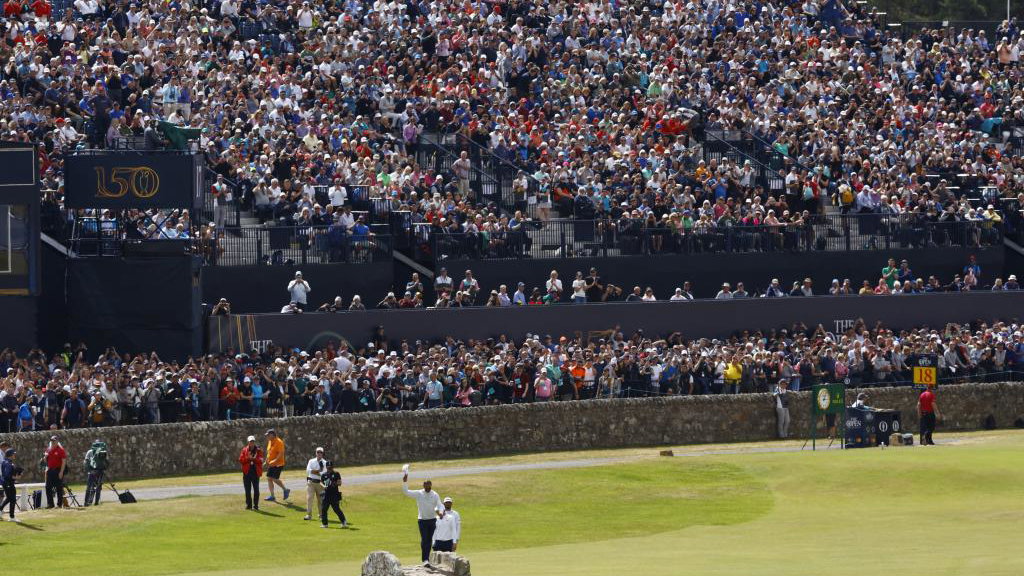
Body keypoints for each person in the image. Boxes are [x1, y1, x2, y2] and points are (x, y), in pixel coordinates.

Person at [403, 470, 444, 564]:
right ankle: (425, 560)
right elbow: (406, 492)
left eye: (428, 484)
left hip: (432, 520)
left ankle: (426, 559)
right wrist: (405, 481)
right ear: (423, 485)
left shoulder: (434, 494)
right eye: (425, 484)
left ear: (431, 485)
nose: (427, 486)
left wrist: (441, 512)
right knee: (425, 539)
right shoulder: (419, 493)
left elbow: (440, 505)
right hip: (422, 520)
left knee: (429, 541)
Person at [319, 460, 348, 528]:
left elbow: (340, 483)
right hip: (326, 495)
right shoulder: (324, 475)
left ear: (333, 467)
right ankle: (325, 524)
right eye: (328, 467)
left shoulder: (336, 473)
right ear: (326, 467)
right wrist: (324, 486)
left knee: (336, 509)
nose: (329, 468)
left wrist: (333, 483)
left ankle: (344, 522)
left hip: (334, 494)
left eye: (331, 467)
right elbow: (320, 482)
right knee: (324, 509)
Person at [238, 435, 264, 510]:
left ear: (254, 442)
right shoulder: (244, 450)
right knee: (247, 490)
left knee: (256, 490)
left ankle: (256, 505)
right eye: (250, 442)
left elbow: (261, 461)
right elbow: (241, 460)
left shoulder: (259, 450)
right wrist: (248, 458)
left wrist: (254, 459)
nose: (251, 443)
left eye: (253, 441)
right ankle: (249, 505)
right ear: (248, 442)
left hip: (255, 472)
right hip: (247, 472)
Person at [264, 429, 289, 502]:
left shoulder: (279, 442)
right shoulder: (270, 441)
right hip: (271, 464)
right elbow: (269, 452)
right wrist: (266, 460)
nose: (267, 436)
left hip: (278, 464)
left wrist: (274, 460)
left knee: (274, 479)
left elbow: (281, 453)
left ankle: (285, 490)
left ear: (272, 435)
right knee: (269, 478)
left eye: (268, 435)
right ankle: (272, 496)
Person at [83, 439, 109, 506]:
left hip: (92, 472)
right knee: (97, 488)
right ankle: (95, 502)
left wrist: (89, 470)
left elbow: (86, 462)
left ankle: (86, 503)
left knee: (90, 487)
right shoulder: (103, 452)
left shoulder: (90, 452)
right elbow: (107, 463)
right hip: (99, 472)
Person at [44, 435, 67, 508]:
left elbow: (64, 462)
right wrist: (45, 456)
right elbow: (45, 461)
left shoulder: (61, 450)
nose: (53, 442)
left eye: (54, 441)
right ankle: (50, 504)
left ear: (57, 441)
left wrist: (61, 472)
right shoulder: (48, 449)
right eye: (52, 441)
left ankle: (59, 504)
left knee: (59, 488)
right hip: (50, 470)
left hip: (58, 470)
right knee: (48, 487)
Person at [304, 447, 326, 520]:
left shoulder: (325, 463)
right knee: (309, 498)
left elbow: (323, 474)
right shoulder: (311, 461)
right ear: (316, 453)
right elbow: (308, 471)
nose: (319, 453)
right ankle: (309, 515)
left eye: (320, 452)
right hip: (311, 482)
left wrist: (314, 471)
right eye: (318, 452)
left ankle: (321, 515)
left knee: (320, 500)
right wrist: (318, 471)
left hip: (320, 483)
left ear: (322, 454)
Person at [1, 448, 19, 522]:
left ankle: (0, 510)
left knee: (9, 498)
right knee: (13, 499)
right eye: (13, 454)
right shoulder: (9, 463)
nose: (14, 455)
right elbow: (7, 475)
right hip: (9, 483)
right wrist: (16, 477)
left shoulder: (5, 462)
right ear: (10, 455)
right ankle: (12, 517)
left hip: (6, 483)